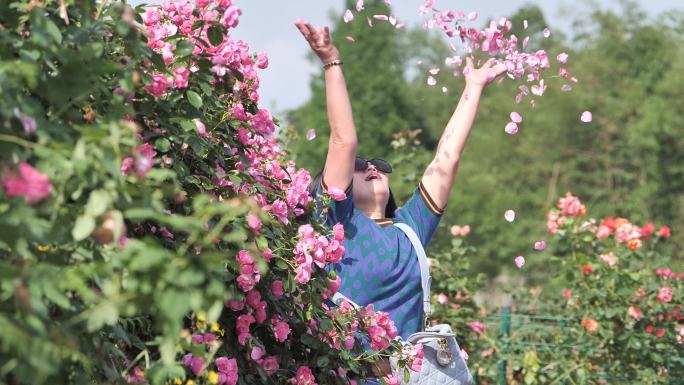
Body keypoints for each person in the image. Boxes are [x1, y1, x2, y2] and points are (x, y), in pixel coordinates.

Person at [295, 19, 505, 381]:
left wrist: (473, 88)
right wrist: (331, 61)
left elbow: (446, 158)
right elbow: (343, 141)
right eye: (362, 167)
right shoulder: (336, 223)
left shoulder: (411, 231)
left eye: (380, 166)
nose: (373, 168)